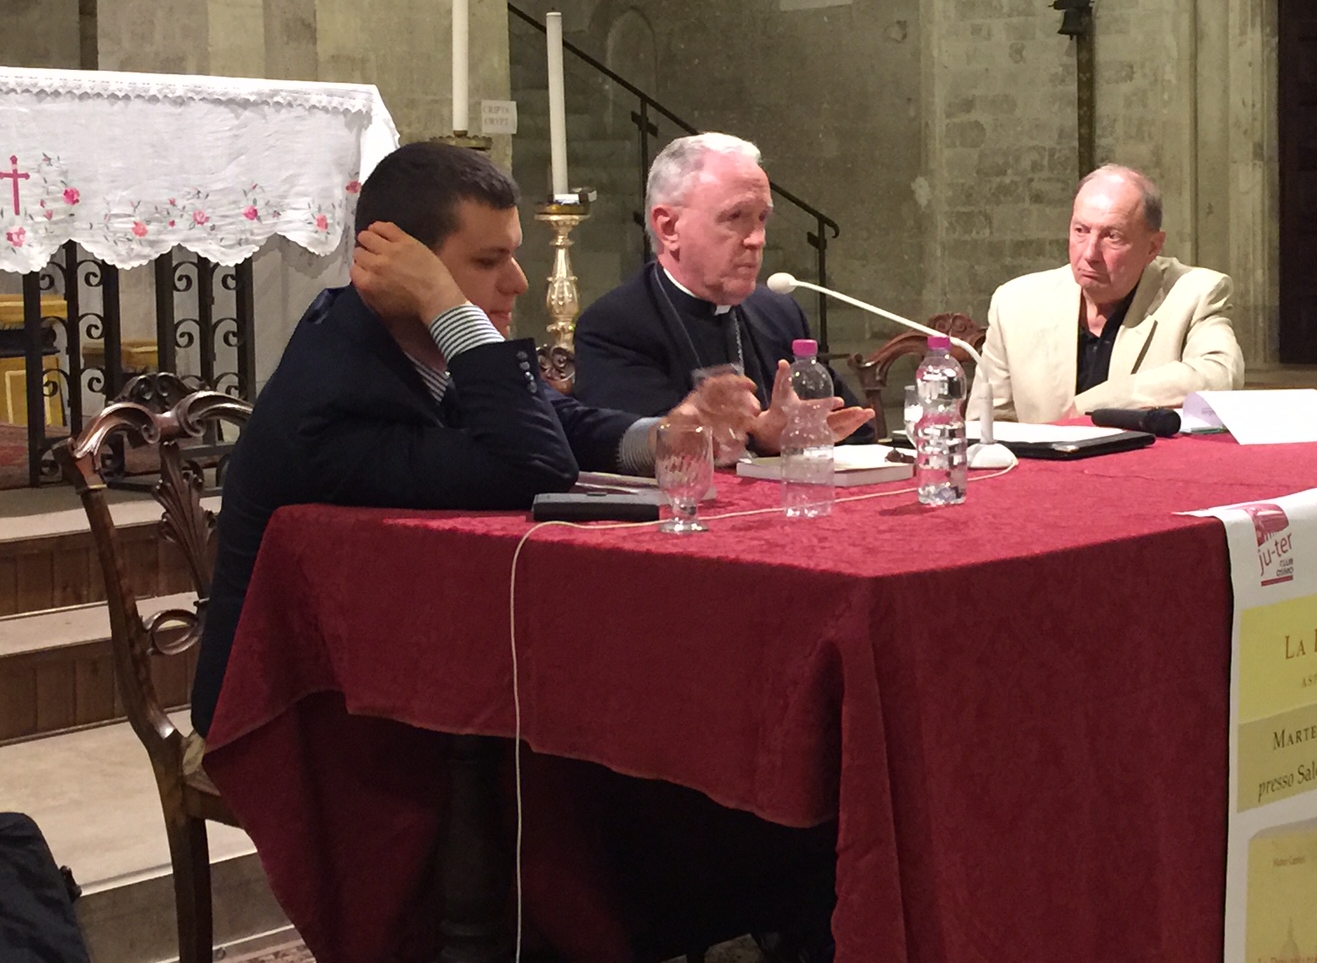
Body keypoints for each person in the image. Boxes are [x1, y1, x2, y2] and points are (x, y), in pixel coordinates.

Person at [191, 143, 831, 963]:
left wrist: (670, 435)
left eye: (515, 255)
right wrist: (448, 307)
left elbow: (558, 421)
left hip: (417, 655)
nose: (519, 283)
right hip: (303, 699)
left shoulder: (410, 343)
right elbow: (531, 462)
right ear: (405, 267)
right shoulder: (336, 387)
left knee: (653, 721)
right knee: (603, 762)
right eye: (488, 262)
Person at [573, 132, 872, 450]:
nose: (757, 239)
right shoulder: (615, 327)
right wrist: (763, 439)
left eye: (762, 218)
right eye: (735, 217)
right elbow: (650, 449)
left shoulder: (779, 313)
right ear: (669, 228)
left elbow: (852, 430)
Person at [979, 164, 1245, 422]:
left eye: (1112, 236)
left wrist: (1095, 403)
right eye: (1081, 231)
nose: (1089, 253)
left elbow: (1220, 374)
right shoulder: (1015, 303)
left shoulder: (1195, 293)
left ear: (1153, 247)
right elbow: (987, 424)